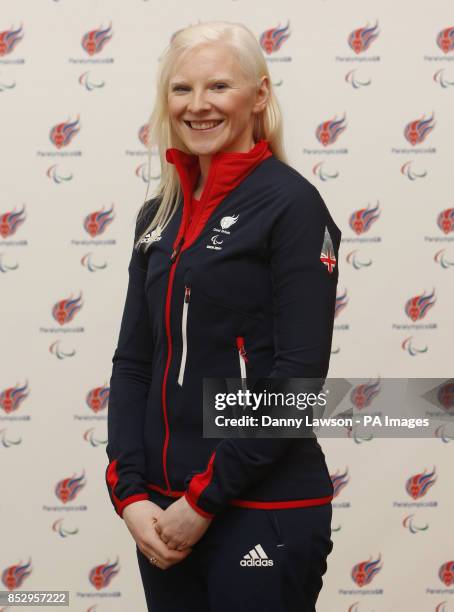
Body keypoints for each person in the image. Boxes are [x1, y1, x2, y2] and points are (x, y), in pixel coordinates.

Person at [105, 20, 341, 612]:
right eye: (181, 89)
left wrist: (203, 502)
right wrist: (130, 494)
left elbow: (298, 382)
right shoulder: (158, 214)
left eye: (218, 86)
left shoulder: (292, 205)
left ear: (259, 95)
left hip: (261, 510)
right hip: (162, 516)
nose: (198, 105)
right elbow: (135, 362)